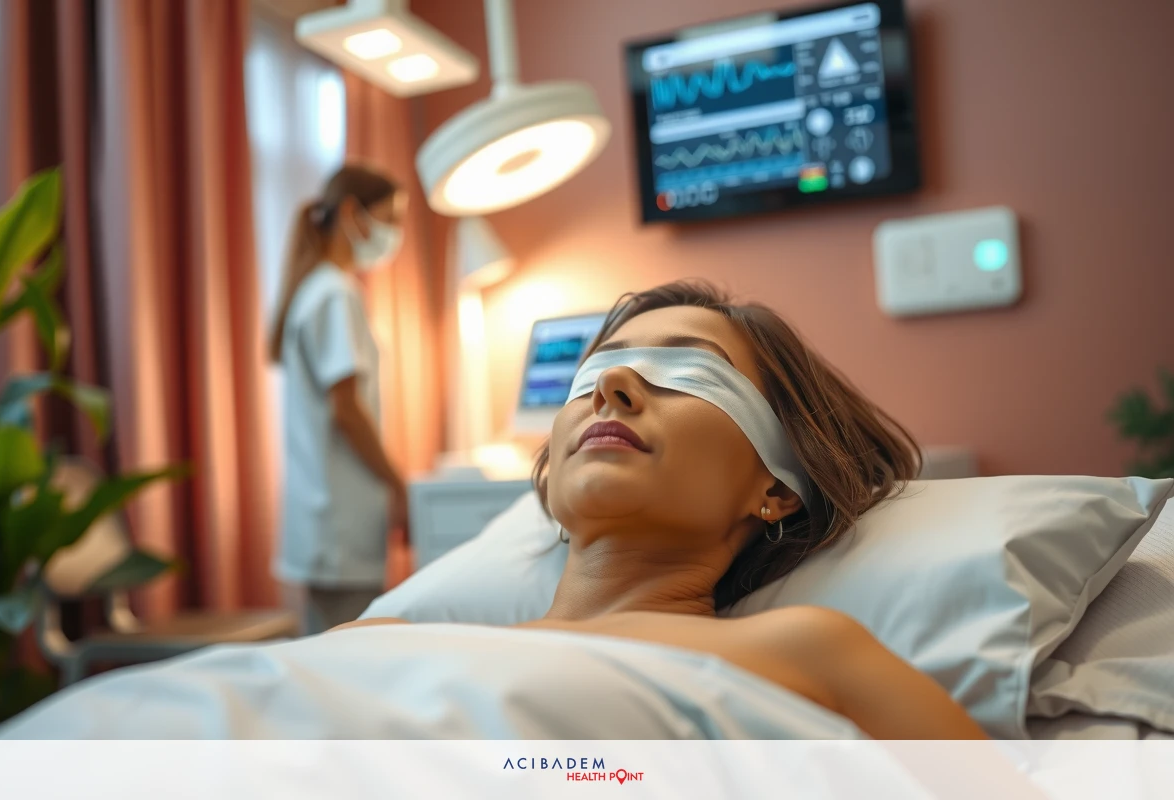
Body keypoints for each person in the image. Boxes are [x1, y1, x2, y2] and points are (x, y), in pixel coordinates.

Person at [337, 280, 988, 739]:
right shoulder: (379, 643)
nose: (612, 388)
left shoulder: (806, 655)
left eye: (687, 371)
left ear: (776, 490)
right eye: (592, 375)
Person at [270, 164, 410, 635]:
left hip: (326, 518)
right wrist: (399, 484)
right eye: (390, 217)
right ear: (352, 213)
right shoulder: (334, 294)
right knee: (345, 656)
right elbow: (347, 409)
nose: (395, 233)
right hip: (339, 523)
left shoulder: (316, 291)